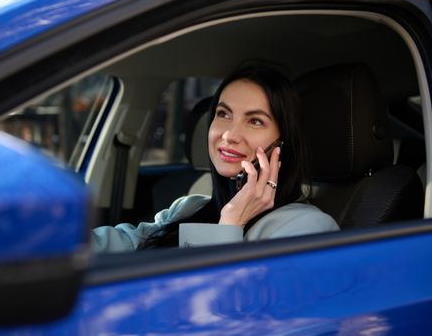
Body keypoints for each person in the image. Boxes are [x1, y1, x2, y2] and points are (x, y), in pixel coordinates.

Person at [92, 64, 339, 253]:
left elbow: (212, 308)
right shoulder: (189, 207)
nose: (229, 135)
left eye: (255, 121)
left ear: (283, 143)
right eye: (223, 114)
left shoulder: (307, 228)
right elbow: (122, 244)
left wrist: (232, 223)